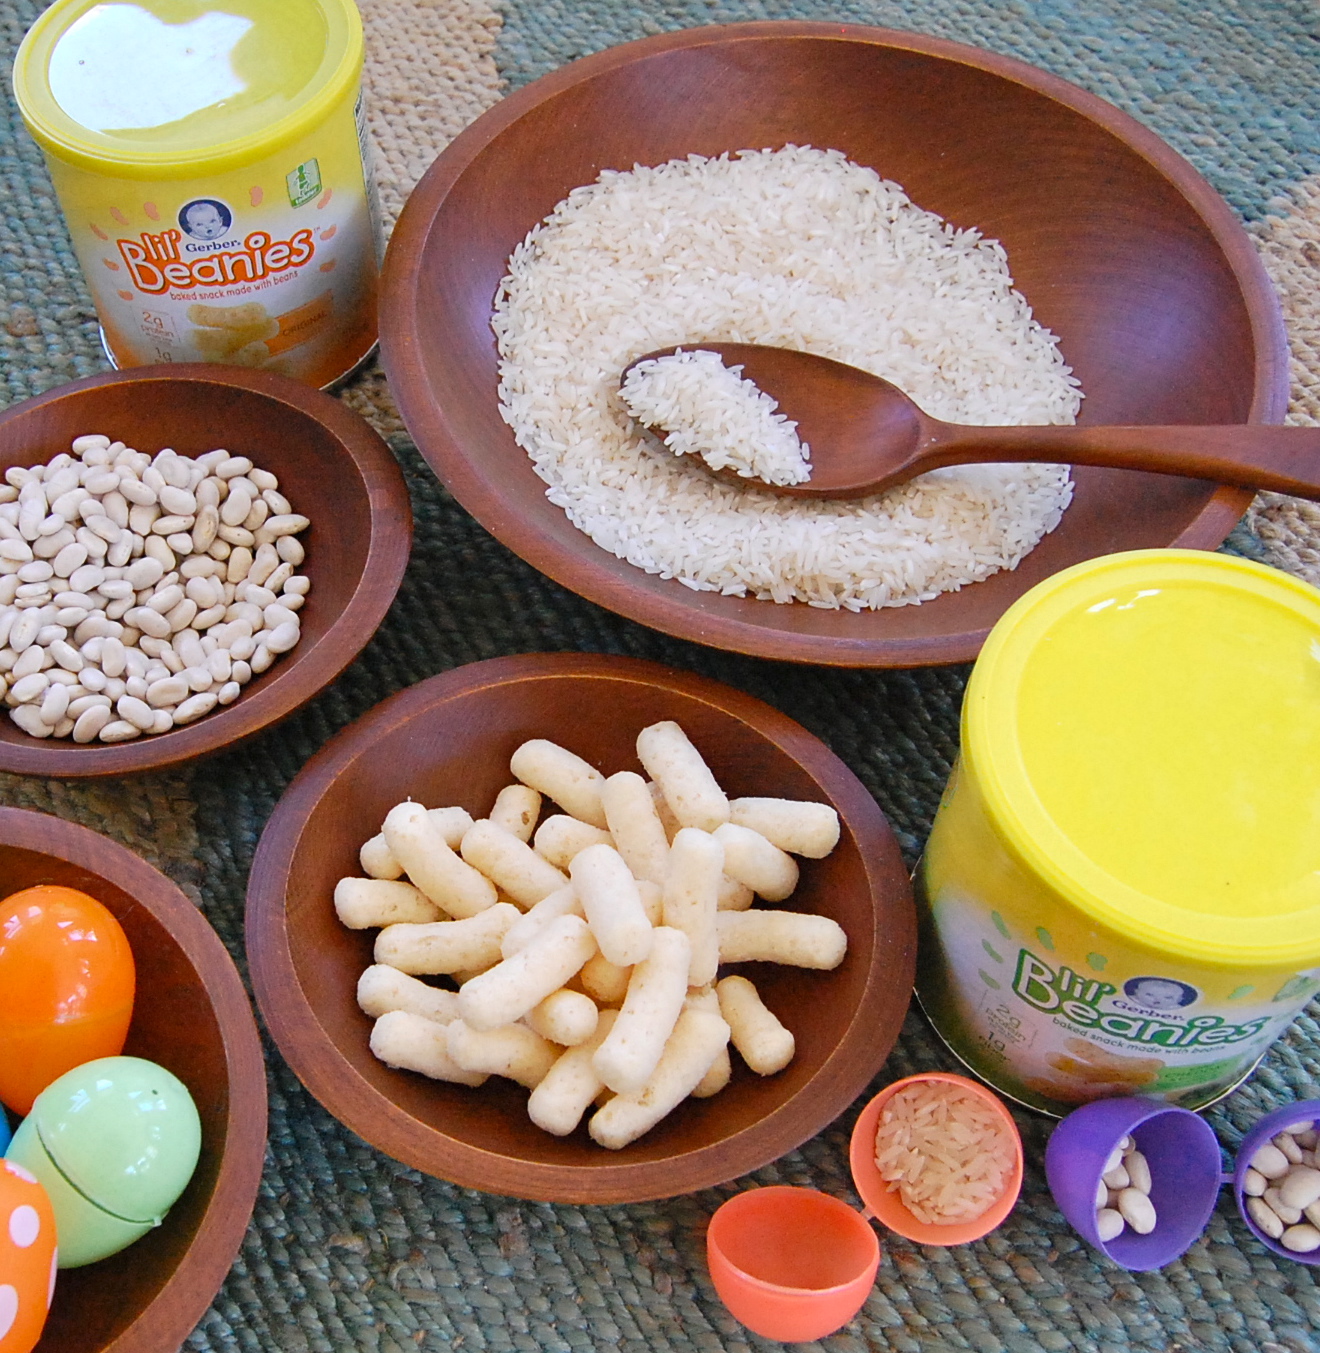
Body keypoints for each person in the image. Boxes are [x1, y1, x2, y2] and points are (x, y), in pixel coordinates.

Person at [1124, 976, 1196, 1011]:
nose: (1157, 1000)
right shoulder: (1130, 1000)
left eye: (1168, 997)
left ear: (1179, 999)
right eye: (1149, 995)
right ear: (1136, 992)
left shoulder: (1177, 1009)